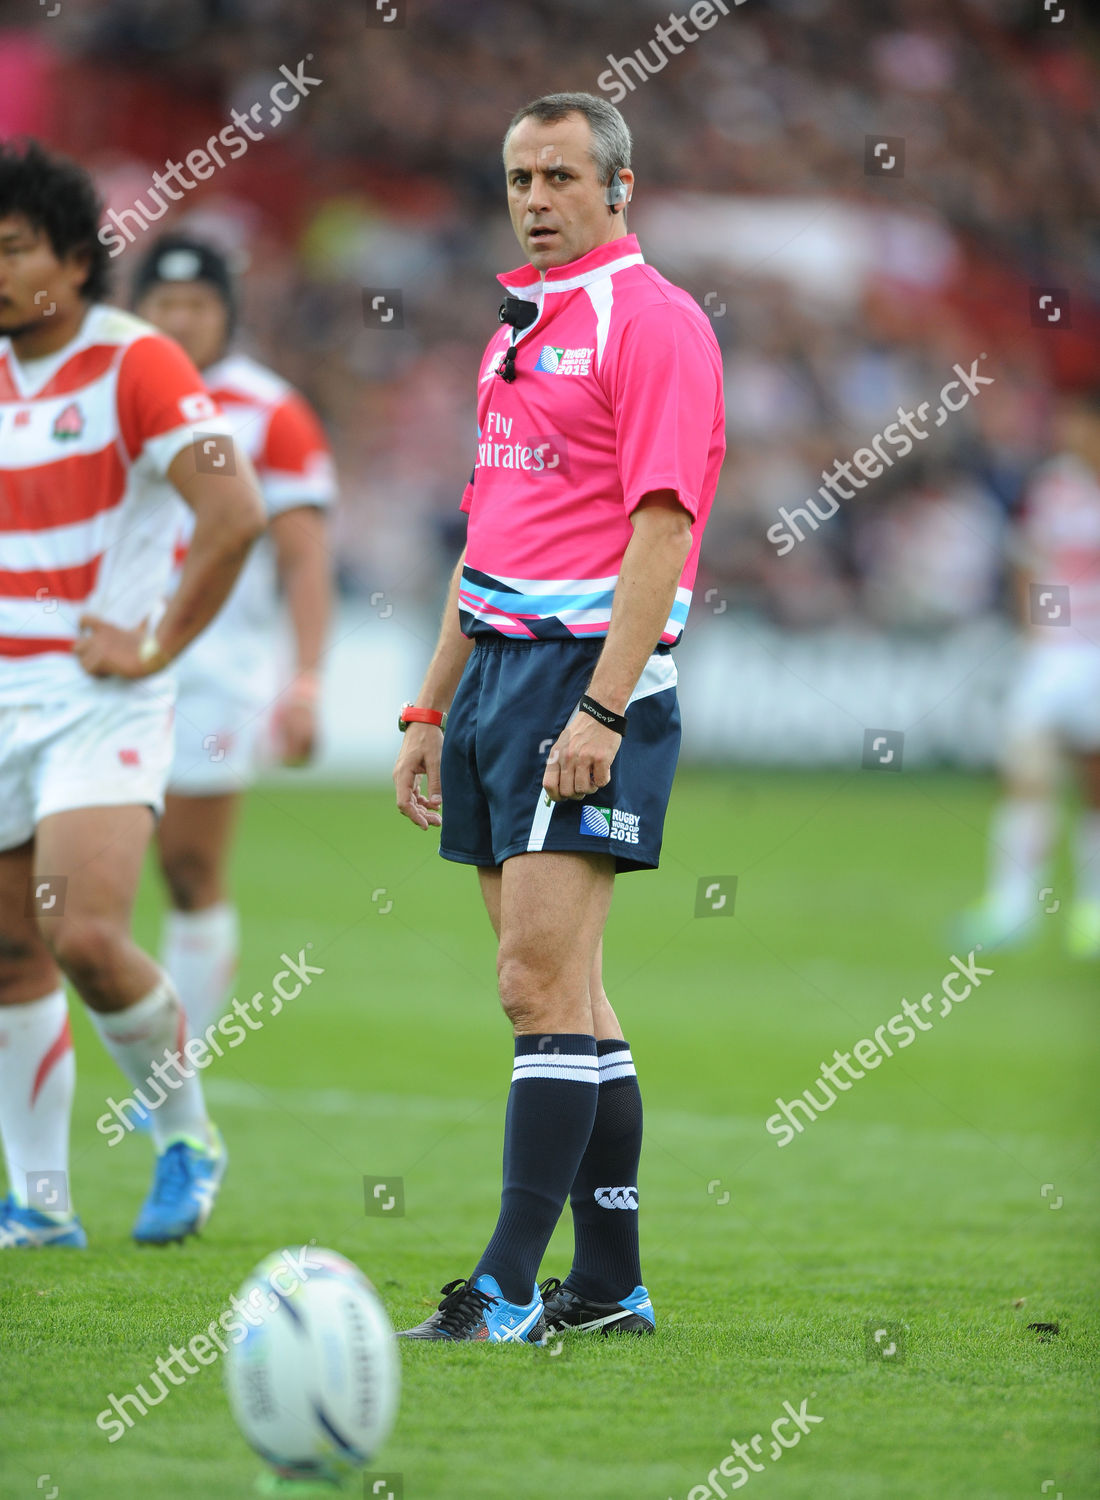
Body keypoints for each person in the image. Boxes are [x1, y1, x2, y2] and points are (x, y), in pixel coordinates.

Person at [392, 92, 725, 1341]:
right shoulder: (514, 331)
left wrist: (600, 704)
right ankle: (607, 1289)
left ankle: (504, 1288)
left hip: (583, 672)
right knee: (569, 993)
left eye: (560, 177)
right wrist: (430, 701)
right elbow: (486, 542)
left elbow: (662, 527)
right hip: (494, 673)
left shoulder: (655, 324)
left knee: (532, 983)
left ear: (619, 186)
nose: (534, 199)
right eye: (519, 178)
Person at [0, 141, 265, 1247]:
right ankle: (40, 1202)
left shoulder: (137, 363)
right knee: (11, 955)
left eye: (12, 250)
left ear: (72, 258)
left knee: (87, 935)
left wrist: (155, 645)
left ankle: (186, 1139)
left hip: (100, 700)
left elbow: (235, 514)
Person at [131, 235, 335, 1045]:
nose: (180, 320)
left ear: (228, 315)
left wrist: (308, 678)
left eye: (198, 306)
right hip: (96, 664)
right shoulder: (105, 392)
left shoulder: (269, 410)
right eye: (164, 304)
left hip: (213, 673)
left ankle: (174, 1062)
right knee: (60, 877)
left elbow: (305, 556)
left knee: (187, 866)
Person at [962, 386, 1100, 958]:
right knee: (1025, 771)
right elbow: (1025, 556)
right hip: (1054, 652)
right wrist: (1032, 629)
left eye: (1081, 425)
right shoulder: (1054, 486)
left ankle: (1091, 912)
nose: (1071, 435)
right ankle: (1011, 907)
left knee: (1094, 784)